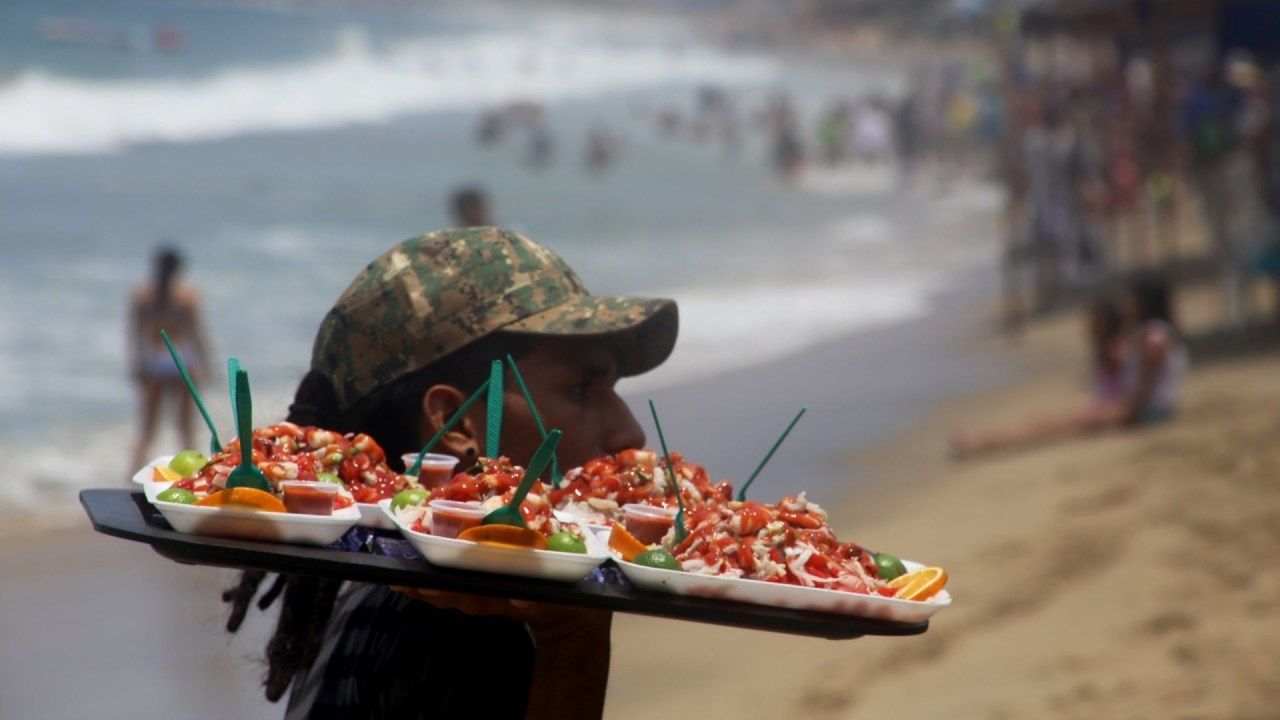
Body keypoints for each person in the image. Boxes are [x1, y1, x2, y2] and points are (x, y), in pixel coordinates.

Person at [220, 228, 678, 719]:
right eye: (581, 390)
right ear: (457, 424)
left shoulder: (385, 587)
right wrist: (572, 640)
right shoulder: (457, 623)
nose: (629, 433)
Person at [952, 277, 1186, 458]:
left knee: (1049, 426)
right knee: (1053, 424)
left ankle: (981, 444)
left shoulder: (1153, 339)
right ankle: (982, 443)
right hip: (1148, 409)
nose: (1129, 304)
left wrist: (1121, 413)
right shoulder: (1154, 335)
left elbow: (1142, 393)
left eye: (1133, 299)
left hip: (1148, 412)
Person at [128, 246, 211, 470]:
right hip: (181, 359)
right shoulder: (185, 297)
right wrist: (206, 366)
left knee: (149, 428)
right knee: (183, 427)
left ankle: (132, 474)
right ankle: (194, 474)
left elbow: (136, 336)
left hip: (156, 360)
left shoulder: (143, 296)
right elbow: (196, 335)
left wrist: (137, 365)